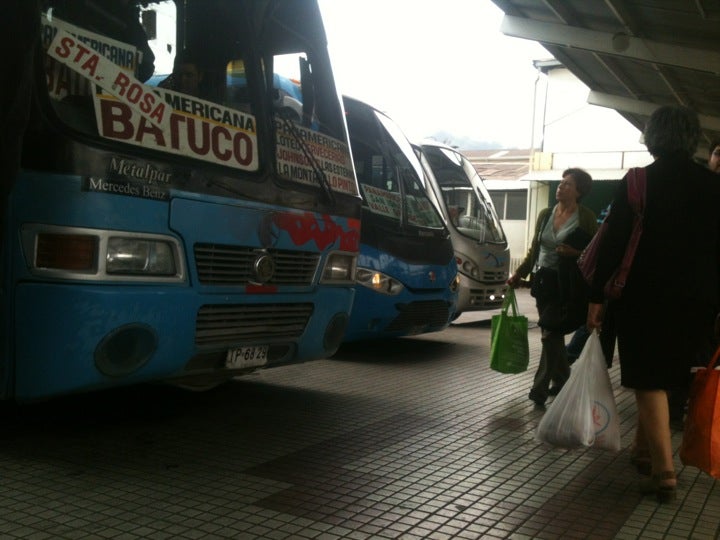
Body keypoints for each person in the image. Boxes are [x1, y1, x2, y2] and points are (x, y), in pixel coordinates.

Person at [587, 105, 720, 504]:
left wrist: (596, 296)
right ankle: (642, 451)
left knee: (646, 377)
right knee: (666, 375)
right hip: (698, 298)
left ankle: (664, 472)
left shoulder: (638, 180)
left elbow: (612, 241)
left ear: (653, 136)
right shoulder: (713, 185)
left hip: (644, 294)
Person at [508, 168, 598, 407]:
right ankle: (565, 382)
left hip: (567, 283)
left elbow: (596, 252)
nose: (561, 187)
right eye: (561, 183)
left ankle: (538, 389)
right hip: (543, 281)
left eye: (567, 184)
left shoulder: (586, 217)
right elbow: (534, 249)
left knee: (550, 333)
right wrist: (520, 273)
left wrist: (575, 252)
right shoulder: (546, 214)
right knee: (552, 336)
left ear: (579, 191)